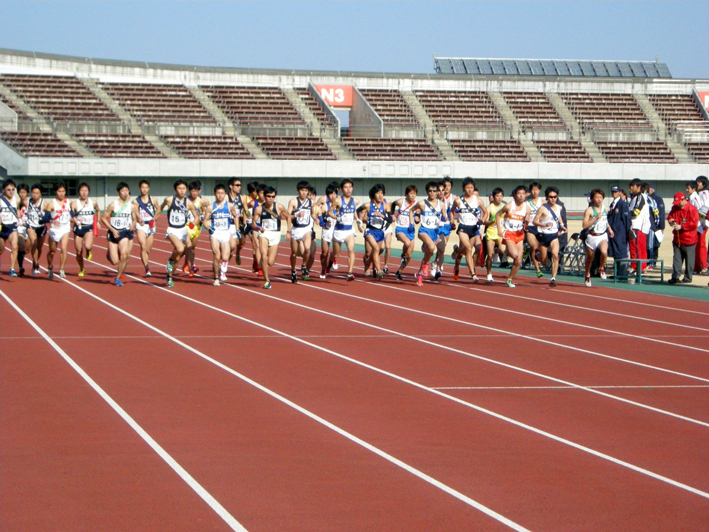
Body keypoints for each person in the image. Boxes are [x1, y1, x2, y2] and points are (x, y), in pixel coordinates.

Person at [160, 179, 200, 288]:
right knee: (181, 249)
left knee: (179, 256)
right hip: (172, 230)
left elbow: (196, 216)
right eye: (179, 188)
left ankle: (169, 276)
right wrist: (154, 218)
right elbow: (160, 208)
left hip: (183, 230)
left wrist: (193, 224)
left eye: (183, 189)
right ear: (175, 189)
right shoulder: (169, 200)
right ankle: (170, 260)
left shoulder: (188, 203)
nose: (182, 191)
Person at [101, 182, 138, 287]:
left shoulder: (132, 206)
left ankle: (117, 278)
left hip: (125, 232)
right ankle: (110, 254)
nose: (125, 193)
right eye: (123, 191)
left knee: (124, 255)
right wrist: (112, 230)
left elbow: (135, 219)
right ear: (119, 192)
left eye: (127, 190)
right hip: (114, 232)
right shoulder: (113, 205)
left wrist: (133, 225)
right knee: (114, 261)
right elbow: (103, 218)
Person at [451, 177, 487, 282]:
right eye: (468, 188)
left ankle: (456, 253)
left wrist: (482, 220)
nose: (470, 190)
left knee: (465, 251)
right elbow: (451, 211)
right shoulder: (458, 200)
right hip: (463, 227)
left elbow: (486, 212)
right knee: (469, 250)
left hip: (473, 228)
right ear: (463, 188)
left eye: (472, 187)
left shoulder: (478, 201)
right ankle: (473, 274)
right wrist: (452, 221)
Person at [202, 184, 239, 286]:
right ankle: (216, 278)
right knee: (217, 256)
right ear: (215, 194)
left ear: (225, 194)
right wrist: (209, 228)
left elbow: (236, 216)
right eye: (218, 193)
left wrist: (237, 228)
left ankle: (222, 268)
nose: (220, 196)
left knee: (225, 257)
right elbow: (204, 221)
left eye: (222, 193)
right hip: (215, 233)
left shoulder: (229, 205)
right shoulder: (210, 207)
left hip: (225, 233)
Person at [252, 185, 287, 289]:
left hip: (275, 234)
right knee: (264, 255)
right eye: (268, 196)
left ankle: (263, 264)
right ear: (264, 196)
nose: (270, 198)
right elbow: (253, 224)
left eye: (272, 196)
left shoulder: (279, 207)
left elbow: (288, 216)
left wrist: (289, 229)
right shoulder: (259, 209)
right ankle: (267, 280)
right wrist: (258, 228)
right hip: (264, 233)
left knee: (270, 262)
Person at [495, 186, 530, 288]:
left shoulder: (527, 208)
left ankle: (509, 279)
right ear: (514, 195)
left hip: (519, 234)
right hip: (509, 233)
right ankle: (506, 251)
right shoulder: (509, 206)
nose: (521, 196)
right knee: (515, 255)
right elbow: (498, 215)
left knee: (518, 261)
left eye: (523, 193)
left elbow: (526, 221)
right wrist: (499, 229)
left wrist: (526, 222)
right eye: (519, 193)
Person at [414, 181, 447, 287]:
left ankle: (420, 272)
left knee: (429, 252)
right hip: (424, 230)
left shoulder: (441, 204)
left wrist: (444, 218)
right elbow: (412, 210)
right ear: (427, 192)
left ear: (437, 192)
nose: (432, 193)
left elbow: (444, 216)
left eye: (434, 191)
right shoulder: (422, 203)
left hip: (435, 231)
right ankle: (425, 265)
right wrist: (415, 218)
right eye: (430, 191)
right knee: (432, 247)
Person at [533, 186, 567, 287]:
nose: (553, 199)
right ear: (547, 197)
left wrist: (562, 226)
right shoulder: (543, 208)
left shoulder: (559, 207)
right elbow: (534, 221)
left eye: (555, 197)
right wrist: (544, 225)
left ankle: (553, 278)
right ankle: (538, 255)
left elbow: (559, 217)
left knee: (555, 255)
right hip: (543, 236)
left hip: (553, 235)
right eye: (551, 197)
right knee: (544, 261)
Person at [328, 178, 360, 281]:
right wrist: (337, 218)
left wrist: (358, 221)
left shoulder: (355, 201)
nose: (348, 189)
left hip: (349, 230)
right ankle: (330, 261)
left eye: (350, 187)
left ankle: (350, 273)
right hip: (339, 230)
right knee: (336, 253)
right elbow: (329, 212)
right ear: (342, 189)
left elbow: (354, 211)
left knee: (351, 249)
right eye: (346, 187)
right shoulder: (337, 201)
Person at [581, 189, 613, 288]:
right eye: (596, 198)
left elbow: (605, 220)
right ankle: (587, 274)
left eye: (600, 197)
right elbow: (584, 225)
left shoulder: (606, 209)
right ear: (592, 199)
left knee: (604, 252)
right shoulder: (589, 210)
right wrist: (595, 218)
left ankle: (601, 268)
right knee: (590, 258)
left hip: (602, 235)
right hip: (592, 236)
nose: (599, 200)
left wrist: (610, 229)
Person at [359, 184, 390, 280]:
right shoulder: (368, 205)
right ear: (373, 194)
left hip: (380, 232)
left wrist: (382, 216)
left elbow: (390, 219)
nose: (380, 195)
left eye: (381, 193)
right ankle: (378, 270)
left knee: (379, 250)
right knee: (372, 250)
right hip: (370, 231)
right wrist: (359, 222)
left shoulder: (385, 206)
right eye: (377, 193)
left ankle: (370, 265)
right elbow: (357, 211)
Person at [286, 180, 315, 283]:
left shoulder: (310, 201)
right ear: (298, 191)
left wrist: (316, 218)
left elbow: (312, 214)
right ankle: (293, 270)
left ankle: (303, 265)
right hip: (295, 229)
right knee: (294, 253)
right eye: (302, 190)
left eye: (306, 190)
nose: (304, 193)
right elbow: (288, 216)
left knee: (307, 249)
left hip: (306, 229)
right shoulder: (293, 201)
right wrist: (288, 231)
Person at [667, 192, 699, 284]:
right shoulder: (675, 208)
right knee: (677, 259)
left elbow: (694, 223)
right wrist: (671, 221)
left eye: (678, 202)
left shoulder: (692, 209)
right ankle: (675, 277)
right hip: (677, 239)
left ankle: (688, 277)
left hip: (689, 240)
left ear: (683, 199)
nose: (677, 204)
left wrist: (682, 226)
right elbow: (670, 216)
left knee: (689, 260)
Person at [44, 181, 72, 280]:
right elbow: (45, 218)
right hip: (54, 230)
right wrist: (52, 220)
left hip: (65, 228)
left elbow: (71, 215)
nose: (62, 193)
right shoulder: (51, 204)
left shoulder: (68, 202)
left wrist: (76, 220)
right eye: (59, 191)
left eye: (63, 191)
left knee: (64, 248)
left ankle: (61, 269)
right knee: (52, 251)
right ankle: (50, 267)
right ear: (56, 191)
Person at [71, 182, 100, 278]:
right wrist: (75, 220)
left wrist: (98, 221)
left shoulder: (93, 202)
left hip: (88, 227)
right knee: (78, 251)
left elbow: (98, 210)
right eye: (82, 191)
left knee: (87, 246)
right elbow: (70, 216)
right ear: (79, 192)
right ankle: (82, 268)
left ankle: (88, 251)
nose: (84, 193)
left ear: (88, 192)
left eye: (86, 191)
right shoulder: (74, 204)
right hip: (78, 228)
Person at [133, 179, 161, 277]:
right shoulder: (136, 201)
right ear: (139, 189)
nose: (144, 190)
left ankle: (146, 262)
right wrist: (139, 219)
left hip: (151, 226)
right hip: (141, 226)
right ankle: (147, 268)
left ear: (148, 188)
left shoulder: (153, 199)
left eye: (146, 187)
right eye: (142, 187)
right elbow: (135, 212)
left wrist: (155, 219)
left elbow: (159, 209)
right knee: (143, 246)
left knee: (148, 250)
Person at [391, 185, 418, 281]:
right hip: (400, 229)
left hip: (410, 230)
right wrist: (392, 214)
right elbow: (392, 204)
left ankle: (399, 271)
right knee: (407, 243)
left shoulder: (416, 205)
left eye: (414, 194)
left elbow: (418, 216)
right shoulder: (401, 202)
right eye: (410, 194)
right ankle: (403, 254)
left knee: (410, 255)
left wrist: (417, 219)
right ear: (406, 194)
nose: (412, 196)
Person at [433, 177, 456, 280]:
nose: (446, 189)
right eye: (445, 187)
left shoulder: (452, 198)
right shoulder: (434, 199)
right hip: (433, 226)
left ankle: (437, 265)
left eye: (448, 186)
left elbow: (454, 211)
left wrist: (452, 221)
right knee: (431, 247)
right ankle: (435, 262)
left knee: (443, 246)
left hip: (445, 225)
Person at [182, 180, 206, 276]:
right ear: (189, 191)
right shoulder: (185, 200)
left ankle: (187, 262)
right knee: (188, 245)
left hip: (196, 227)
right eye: (192, 191)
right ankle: (192, 266)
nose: (194, 193)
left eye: (196, 190)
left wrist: (203, 217)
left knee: (192, 248)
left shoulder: (202, 201)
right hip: (187, 226)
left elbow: (205, 211)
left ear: (199, 191)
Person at [483, 187, 507, 283]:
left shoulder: (505, 206)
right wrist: (490, 222)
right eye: (497, 196)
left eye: (501, 196)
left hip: (501, 232)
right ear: (493, 197)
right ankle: (489, 273)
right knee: (489, 255)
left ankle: (496, 250)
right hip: (491, 232)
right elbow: (484, 221)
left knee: (502, 250)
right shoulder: (489, 208)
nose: (499, 198)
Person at [607, 185, 631, 278]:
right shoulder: (612, 204)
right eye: (613, 192)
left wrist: (625, 232)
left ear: (619, 192)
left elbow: (626, 219)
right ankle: (617, 273)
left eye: (616, 192)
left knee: (622, 252)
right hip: (613, 232)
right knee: (615, 252)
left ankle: (623, 273)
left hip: (620, 233)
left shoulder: (622, 204)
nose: (614, 193)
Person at [628, 178, 650, 275]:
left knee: (636, 247)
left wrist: (625, 214)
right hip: (638, 226)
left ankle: (637, 267)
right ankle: (640, 266)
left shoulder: (640, 197)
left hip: (637, 225)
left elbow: (636, 212)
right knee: (639, 247)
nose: (631, 188)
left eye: (633, 186)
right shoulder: (635, 197)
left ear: (639, 187)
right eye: (630, 186)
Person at [317, 183, 338, 279]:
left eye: (334, 194)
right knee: (325, 252)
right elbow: (320, 216)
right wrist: (323, 222)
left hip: (337, 231)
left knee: (336, 252)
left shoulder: (339, 205)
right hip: (327, 231)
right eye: (331, 194)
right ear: (327, 195)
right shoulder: (325, 205)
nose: (333, 196)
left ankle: (330, 262)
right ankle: (323, 269)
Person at [25, 183, 47, 275]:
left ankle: (34, 262)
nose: (34, 195)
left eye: (37, 193)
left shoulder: (44, 204)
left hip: (41, 228)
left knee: (39, 247)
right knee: (34, 243)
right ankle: (37, 264)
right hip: (31, 227)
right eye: (33, 193)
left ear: (40, 194)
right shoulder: (27, 202)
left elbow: (50, 214)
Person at [686, 179, 707, 275]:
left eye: (688, 188)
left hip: (699, 225)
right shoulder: (692, 197)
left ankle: (703, 266)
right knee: (696, 246)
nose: (686, 190)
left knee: (700, 246)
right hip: (697, 225)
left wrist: (703, 223)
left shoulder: (697, 197)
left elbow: (702, 209)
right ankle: (697, 266)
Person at [0, 179, 20, 276]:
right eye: (8, 190)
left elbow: (20, 211)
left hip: (12, 227)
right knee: (1, 249)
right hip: (1, 227)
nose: (11, 191)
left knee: (15, 247)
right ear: (4, 190)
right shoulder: (0, 200)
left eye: (13, 189)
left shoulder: (17, 201)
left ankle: (12, 269)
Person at [525, 181, 544, 278]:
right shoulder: (526, 203)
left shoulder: (543, 203)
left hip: (540, 227)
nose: (534, 192)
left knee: (540, 249)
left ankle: (540, 263)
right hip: (530, 227)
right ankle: (537, 270)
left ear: (539, 190)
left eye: (536, 189)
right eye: (532, 189)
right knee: (534, 247)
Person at [227, 177, 246, 266]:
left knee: (232, 248)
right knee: (226, 248)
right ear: (231, 186)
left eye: (240, 185)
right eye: (237, 185)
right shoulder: (226, 197)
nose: (239, 187)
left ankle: (224, 264)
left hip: (236, 225)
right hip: (226, 225)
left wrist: (248, 219)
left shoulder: (242, 198)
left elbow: (246, 211)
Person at [646, 183, 665, 270]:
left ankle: (653, 262)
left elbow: (660, 213)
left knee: (654, 245)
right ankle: (648, 261)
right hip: (647, 226)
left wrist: (661, 226)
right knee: (648, 244)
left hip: (655, 226)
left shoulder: (657, 199)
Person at [15, 183, 30, 277]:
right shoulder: (16, 202)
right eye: (20, 192)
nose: (22, 194)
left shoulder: (30, 203)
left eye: (24, 192)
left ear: (27, 193)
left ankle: (21, 255)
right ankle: (21, 267)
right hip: (19, 228)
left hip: (28, 228)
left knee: (26, 249)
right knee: (20, 246)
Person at [696, 176, 709, 276]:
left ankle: (704, 266)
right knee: (697, 244)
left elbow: (706, 207)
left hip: (702, 222)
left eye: (699, 182)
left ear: (703, 184)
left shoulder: (705, 193)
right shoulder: (698, 193)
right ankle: (698, 266)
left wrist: (703, 221)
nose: (697, 184)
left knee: (701, 244)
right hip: (698, 222)